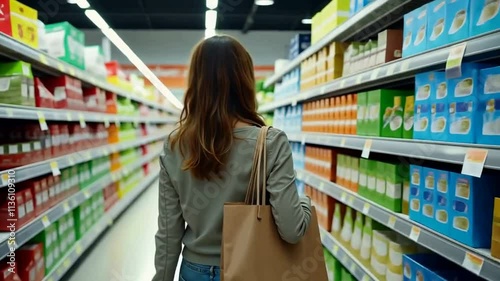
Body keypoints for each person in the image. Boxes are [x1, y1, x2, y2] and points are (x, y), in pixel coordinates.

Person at [152, 35, 312, 281]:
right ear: (245, 81)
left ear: (195, 82)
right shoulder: (270, 142)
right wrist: (304, 203)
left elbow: (168, 233)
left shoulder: (175, 145)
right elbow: (292, 230)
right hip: (250, 267)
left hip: (194, 271)